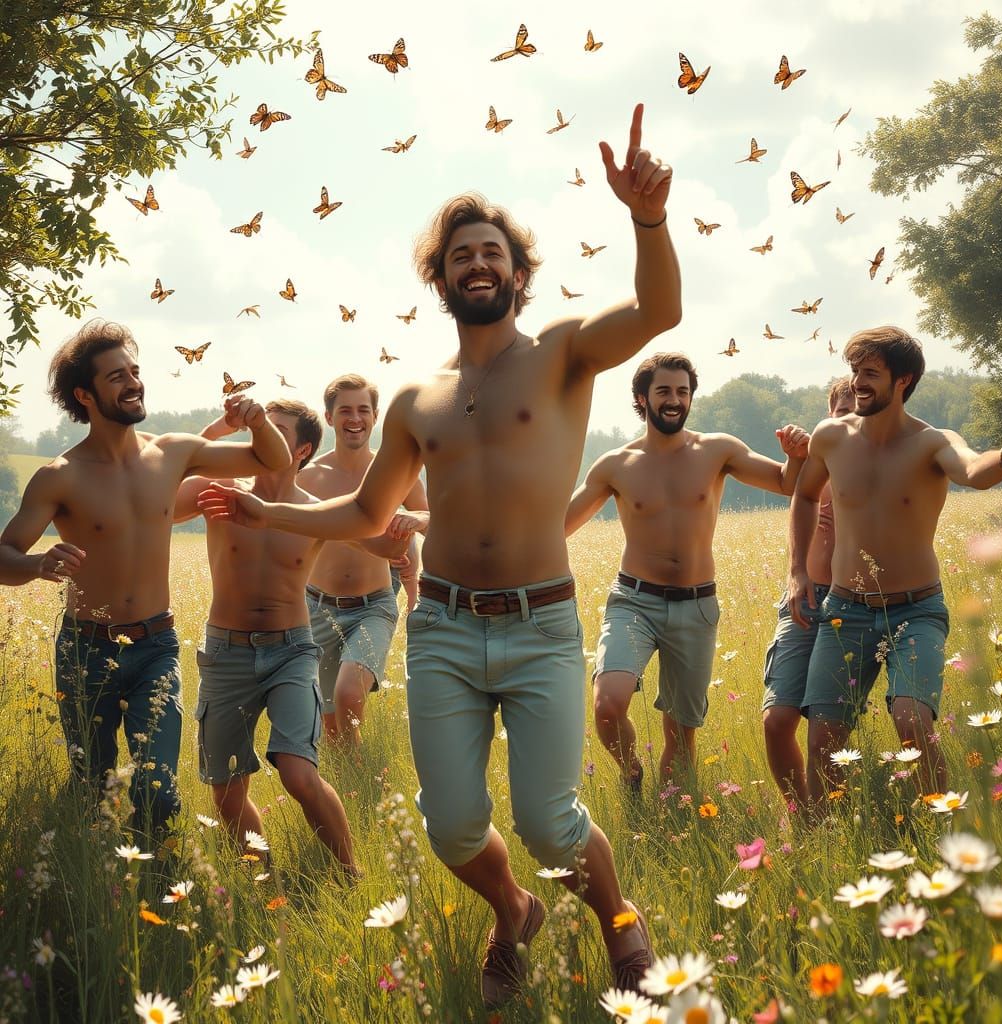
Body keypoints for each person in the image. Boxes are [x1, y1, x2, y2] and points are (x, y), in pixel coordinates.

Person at [198, 104, 677, 1006]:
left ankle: (623, 932)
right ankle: (513, 916)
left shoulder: (567, 352)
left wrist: (646, 217)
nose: (478, 263)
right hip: (447, 628)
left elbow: (659, 308)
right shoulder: (418, 399)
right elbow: (367, 510)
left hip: (541, 626)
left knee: (550, 821)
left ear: (520, 271)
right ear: (439, 278)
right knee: (453, 828)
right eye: (460, 255)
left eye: (493, 251)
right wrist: (273, 511)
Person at [0, 319, 290, 832]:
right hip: (85, 649)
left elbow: (272, 458)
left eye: (135, 371)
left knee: (156, 788)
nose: (134, 382)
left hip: (156, 645)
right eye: (117, 377)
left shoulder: (173, 452)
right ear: (85, 395)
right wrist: (36, 564)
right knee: (92, 778)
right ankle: (89, 874)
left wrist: (257, 420)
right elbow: (4, 556)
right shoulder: (59, 476)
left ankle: (152, 881)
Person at [787, 326, 1002, 808]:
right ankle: (820, 839)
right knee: (823, 740)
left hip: (916, 612)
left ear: (904, 380)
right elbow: (805, 494)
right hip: (844, 611)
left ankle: (942, 826)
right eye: (855, 371)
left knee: (913, 721)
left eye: (870, 373)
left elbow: (975, 471)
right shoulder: (831, 437)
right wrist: (797, 569)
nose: (857, 382)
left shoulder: (932, 442)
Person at [565, 352, 809, 788]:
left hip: (695, 606)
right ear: (643, 398)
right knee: (607, 704)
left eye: (683, 391)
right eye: (663, 391)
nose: (674, 400)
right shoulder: (615, 465)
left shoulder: (717, 450)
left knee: (681, 733)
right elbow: (559, 527)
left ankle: (672, 810)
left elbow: (785, 483)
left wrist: (794, 455)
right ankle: (631, 772)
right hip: (633, 602)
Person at [175, 398, 360, 871]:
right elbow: (165, 485)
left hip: (291, 651)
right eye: (259, 430)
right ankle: (265, 879)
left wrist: (411, 530)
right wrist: (218, 429)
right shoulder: (219, 491)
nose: (263, 438)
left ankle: (349, 871)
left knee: (298, 774)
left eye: (276, 432)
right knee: (226, 790)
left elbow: (373, 528)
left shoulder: (314, 512)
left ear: (302, 451)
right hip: (225, 652)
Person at [298, 374, 428, 745]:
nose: (354, 418)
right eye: (345, 410)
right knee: (330, 724)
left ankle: (357, 773)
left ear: (375, 417)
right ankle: (350, 780)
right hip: (316, 607)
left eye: (363, 410)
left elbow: (436, 524)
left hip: (374, 607)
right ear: (329, 417)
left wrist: (416, 588)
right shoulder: (310, 477)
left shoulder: (398, 472)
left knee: (349, 694)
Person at [762, 379, 854, 809]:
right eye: (841, 411)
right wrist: (794, 454)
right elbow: (794, 488)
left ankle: (830, 813)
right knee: (777, 719)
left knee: (826, 723)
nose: (850, 420)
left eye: (859, 411)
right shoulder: (821, 460)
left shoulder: (882, 464)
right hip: (806, 597)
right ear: (828, 416)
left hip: (855, 605)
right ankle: (799, 812)